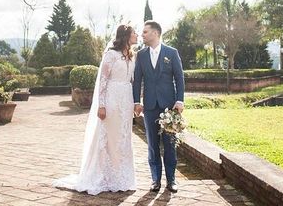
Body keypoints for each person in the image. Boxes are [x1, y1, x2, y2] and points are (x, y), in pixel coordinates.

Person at [53, 24, 138, 195]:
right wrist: (102, 105)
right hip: (112, 100)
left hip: (126, 100)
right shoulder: (111, 55)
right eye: (134, 32)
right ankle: (105, 176)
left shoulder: (131, 55)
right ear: (126, 36)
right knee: (110, 139)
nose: (137, 35)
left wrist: (136, 102)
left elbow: (134, 81)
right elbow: (103, 81)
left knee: (123, 138)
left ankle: (122, 177)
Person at [133, 20, 185, 193]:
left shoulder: (172, 52)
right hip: (149, 106)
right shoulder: (141, 55)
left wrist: (180, 100)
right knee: (153, 145)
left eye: (145, 32)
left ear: (155, 33)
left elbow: (179, 78)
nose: (142, 35)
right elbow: (137, 80)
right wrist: (136, 101)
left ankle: (172, 180)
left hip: (169, 106)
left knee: (170, 144)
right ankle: (155, 180)